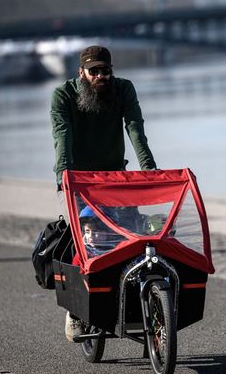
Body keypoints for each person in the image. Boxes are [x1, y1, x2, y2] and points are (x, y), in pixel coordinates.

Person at [51, 44, 158, 342]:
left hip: (114, 177)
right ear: (81, 73)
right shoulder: (63, 96)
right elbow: (62, 135)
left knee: (131, 233)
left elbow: (135, 128)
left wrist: (149, 169)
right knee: (83, 238)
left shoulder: (123, 90)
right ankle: (75, 309)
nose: (100, 76)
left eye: (105, 71)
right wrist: (65, 175)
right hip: (77, 179)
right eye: (94, 71)